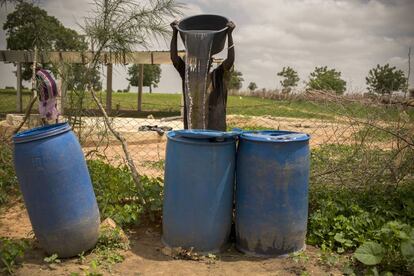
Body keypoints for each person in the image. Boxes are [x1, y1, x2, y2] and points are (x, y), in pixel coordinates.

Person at [170, 20, 235, 131]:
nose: (203, 61)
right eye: (200, 59)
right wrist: (175, 33)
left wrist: (229, 34)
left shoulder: (217, 76)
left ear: (211, 62)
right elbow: (175, 58)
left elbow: (230, 60)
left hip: (216, 132)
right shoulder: (189, 76)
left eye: (207, 59)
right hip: (193, 130)